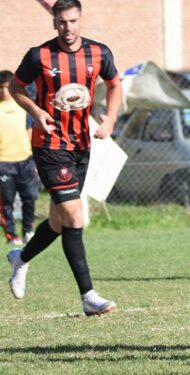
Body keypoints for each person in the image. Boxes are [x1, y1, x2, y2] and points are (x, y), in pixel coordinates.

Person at [6, 0, 122, 316]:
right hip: (49, 145)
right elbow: (17, 87)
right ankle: (88, 296)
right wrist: (38, 111)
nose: (67, 28)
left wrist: (110, 118)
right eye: (61, 22)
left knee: (58, 222)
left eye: (72, 21)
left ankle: (22, 258)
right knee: (74, 216)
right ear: (54, 23)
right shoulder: (39, 55)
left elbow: (114, 85)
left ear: (80, 21)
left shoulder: (99, 53)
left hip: (82, 146)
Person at [0, 70, 38, 246]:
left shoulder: (23, 107)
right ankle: (11, 235)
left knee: (29, 197)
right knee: (6, 202)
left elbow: (30, 133)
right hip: (3, 162)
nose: (4, 91)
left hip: (26, 160)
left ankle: (28, 231)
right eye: (1, 88)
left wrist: (35, 158)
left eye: (7, 87)